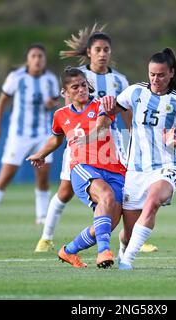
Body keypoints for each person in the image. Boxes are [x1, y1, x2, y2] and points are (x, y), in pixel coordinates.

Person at [34, 25, 158, 254]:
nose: (103, 54)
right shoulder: (80, 76)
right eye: (98, 50)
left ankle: (132, 236)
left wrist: (134, 139)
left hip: (110, 143)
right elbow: (68, 113)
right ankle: (46, 237)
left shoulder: (120, 80)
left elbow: (127, 111)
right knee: (65, 191)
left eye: (106, 50)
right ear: (89, 53)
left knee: (121, 195)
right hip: (79, 143)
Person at [102, 48, 176, 270]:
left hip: (166, 166)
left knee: (153, 200)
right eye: (152, 74)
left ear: (171, 73)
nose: (156, 79)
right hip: (135, 170)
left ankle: (128, 260)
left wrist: (174, 141)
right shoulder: (134, 92)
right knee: (128, 232)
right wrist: (106, 106)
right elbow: (110, 111)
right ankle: (124, 250)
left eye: (161, 75)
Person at [27, 67, 126, 268]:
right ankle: (104, 252)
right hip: (83, 167)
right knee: (105, 196)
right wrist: (41, 154)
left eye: (83, 85)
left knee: (109, 221)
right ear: (65, 93)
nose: (81, 90)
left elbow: (103, 125)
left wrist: (88, 136)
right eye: (75, 87)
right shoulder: (61, 115)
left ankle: (69, 251)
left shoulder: (101, 105)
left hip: (113, 167)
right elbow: (56, 139)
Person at [0, 43, 60, 225]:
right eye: (34, 56)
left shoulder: (50, 79)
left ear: (45, 59)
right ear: (28, 59)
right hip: (19, 134)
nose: (37, 60)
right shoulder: (16, 77)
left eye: (41, 56)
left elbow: (55, 100)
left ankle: (41, 216)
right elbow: (2, 101)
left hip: (43, 133)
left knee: (43, 174)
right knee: (6, 174)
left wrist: (51, 104)